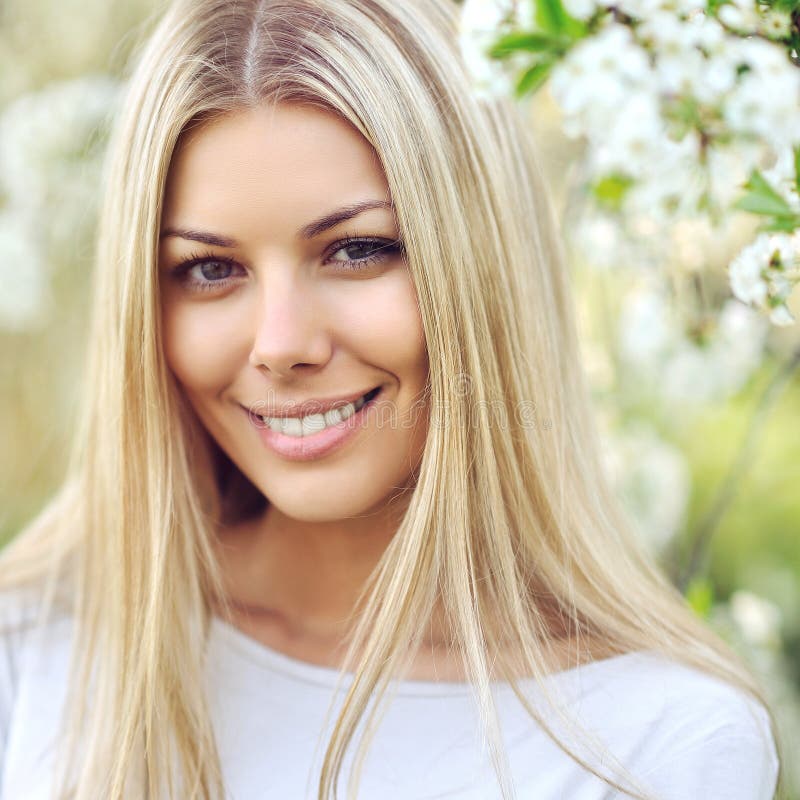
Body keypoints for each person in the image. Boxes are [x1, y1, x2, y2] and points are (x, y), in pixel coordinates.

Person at [0, 0, 782, 798]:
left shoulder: (659, 740)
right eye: (209, 269)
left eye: (359, 250)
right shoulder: (30, 649)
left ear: (481, 264)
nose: (279, 343)